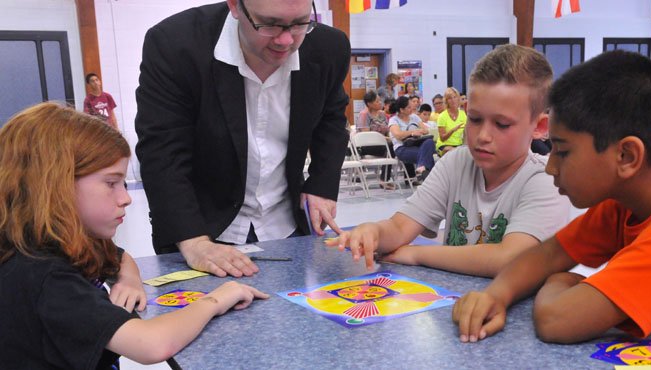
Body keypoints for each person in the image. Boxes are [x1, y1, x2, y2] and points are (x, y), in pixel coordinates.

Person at [0, 102, 269, 369]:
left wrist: (129, 280)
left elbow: (117, 256)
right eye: (111, 183)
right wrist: (216, 300)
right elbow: (152, 344)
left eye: (124, 184)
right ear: (56, 185)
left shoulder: (49, 243)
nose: (126, 198)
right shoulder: (44, 277)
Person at [452, 51, 651, 344]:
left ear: (627, 156)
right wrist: (493, 296)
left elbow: (557, 320)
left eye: (563, 152)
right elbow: (549, 254)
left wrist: (562, 279)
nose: (551, 167)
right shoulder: (623, 206)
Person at [135, 0, 351, 277]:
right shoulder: (176, 45)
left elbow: (332, 117)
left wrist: (322, 184)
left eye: (299, 23)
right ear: (235, 7)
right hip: (202, 226)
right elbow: (161, 150)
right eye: (269, 24)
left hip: (286, 225)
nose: (285, 40)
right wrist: (193, 241)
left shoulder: (328, 48)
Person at [327, 45, 570, 279]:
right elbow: (400, 228)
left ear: (539, 127)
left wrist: (417, 254)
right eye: (474, 119)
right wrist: (375, 232)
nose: (483, 136)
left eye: (502, 124)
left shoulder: (547, 181)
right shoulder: (456, 163)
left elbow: (509, 259)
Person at [386, 96, 435, 179]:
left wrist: (422, 131)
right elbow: (398, 135)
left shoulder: (414, 117)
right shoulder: (394, 120)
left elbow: (426, 130)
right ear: (401, 110)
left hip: (417, 144)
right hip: (402, 148)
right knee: (427, 155)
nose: (412, 108)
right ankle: (429, 177)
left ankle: (421, 169)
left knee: (429, 142)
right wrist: (412, 133)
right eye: (409, 107)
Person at [436, 86, 467, 156]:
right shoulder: (442, 116)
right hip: (444, 146)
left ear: (458, 98)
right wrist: (452, 130)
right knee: (455, 152)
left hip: (459, 145)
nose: (453, 100)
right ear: (446, 101)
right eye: (450, 98)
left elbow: (466, 134)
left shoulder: (463, 114)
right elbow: (442, 138)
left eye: (455, 97)